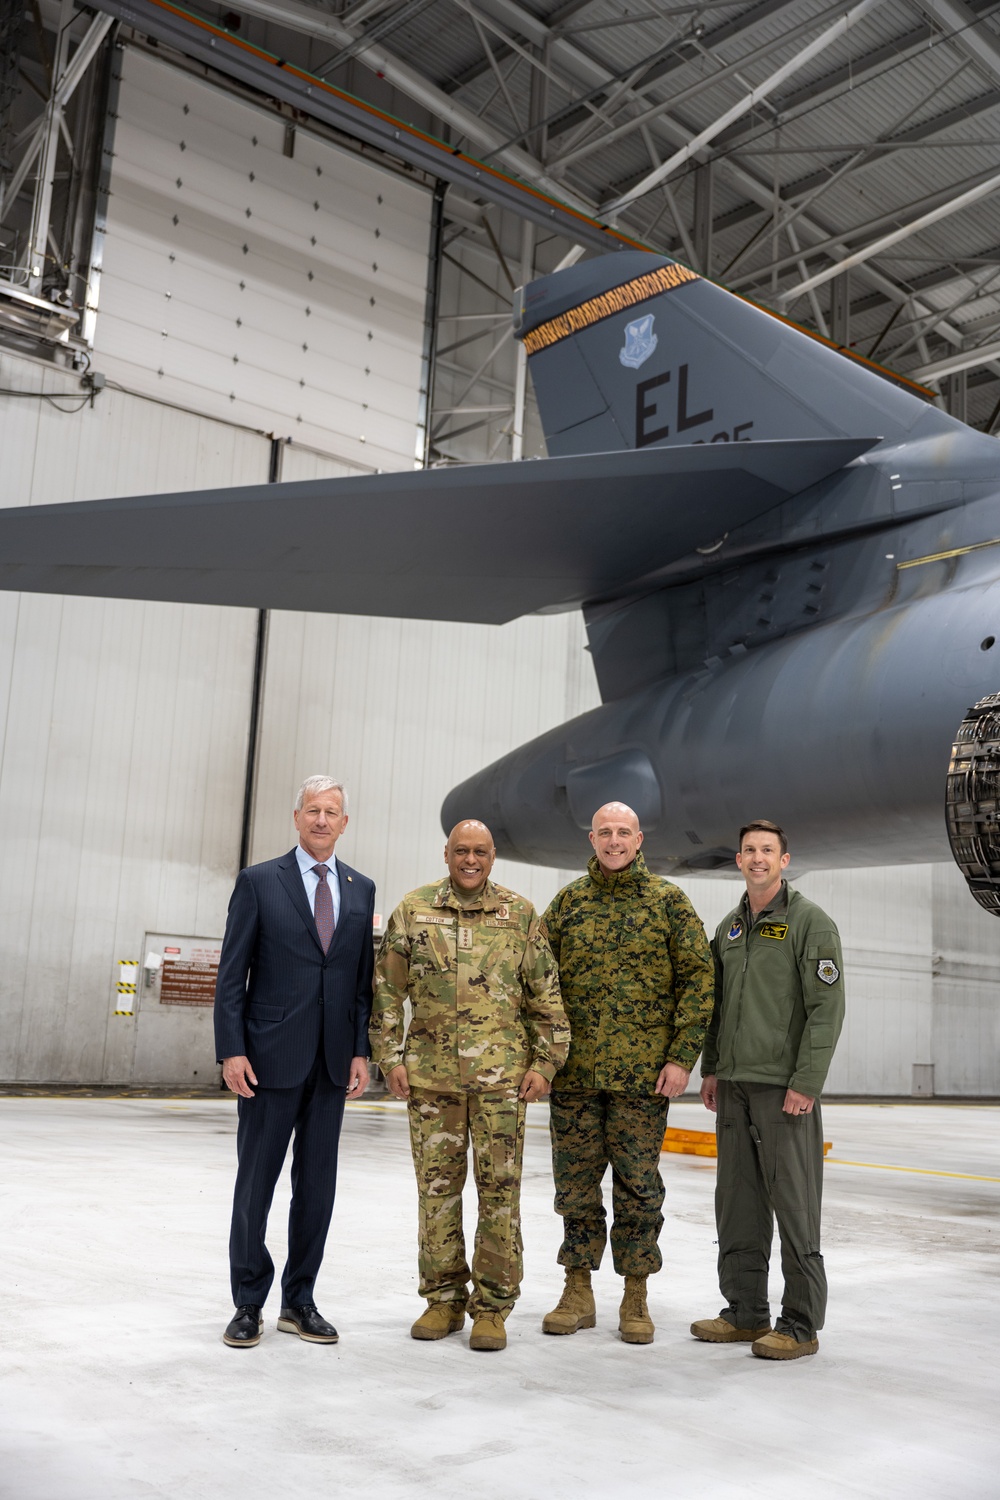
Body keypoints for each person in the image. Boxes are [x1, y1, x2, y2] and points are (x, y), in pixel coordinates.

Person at [370, 819, 569, 1353]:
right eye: (462, 850)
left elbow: (545, 997)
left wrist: (545, 1064)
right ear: (446, 853)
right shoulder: (414, 911)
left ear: (493, 855)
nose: (471, 860)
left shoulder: (520, 914)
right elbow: (386, 992)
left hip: (503, 1084)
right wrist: (390, 1057)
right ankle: (441, 1300)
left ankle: (492, 1308)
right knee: (437, 1193)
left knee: (499, 1195)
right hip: (431, 1081)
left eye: (480, 851)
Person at [540, 801, 714, 1344]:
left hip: (644, 1079)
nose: (614, 841)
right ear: (591, 839)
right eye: (605, 833)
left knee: (639, 1188)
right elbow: (538, 982)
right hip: (575, 1076)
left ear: (639, 840)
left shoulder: (668, 903)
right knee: (575, 1187)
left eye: (624, 833)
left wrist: (682, 1057)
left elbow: (698, 980)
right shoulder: (568, 903)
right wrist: (543, 1058)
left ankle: (635, 1293)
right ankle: (577, 1288)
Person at [214, 775, 375, 1349]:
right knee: (256, 1182)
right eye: (313, 810)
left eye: (332, 812)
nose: (322, 820)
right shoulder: (259, 882)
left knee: (318, 1187)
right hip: (267, 1060)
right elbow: (232, 975)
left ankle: (299, 1300)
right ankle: (248, 1301)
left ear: (345, 822)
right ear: (297, 816)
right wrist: (231, 1048)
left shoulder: (361, 889)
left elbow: (360, 984)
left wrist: (361, 1049)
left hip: (332, 1064)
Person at [692, 819, 845, 1361]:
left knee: (794, 1205)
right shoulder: (730, 927)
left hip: (783, 1091)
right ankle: (745, 1312)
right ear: (738, 860)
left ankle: (801, 1324)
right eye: (749, 850)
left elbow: (827, 1010)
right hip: (732, 1086)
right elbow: (715, 1006)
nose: (758, 858)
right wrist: (712, 1067)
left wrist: (807, 1082)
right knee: (737, 1202)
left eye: (768, 851)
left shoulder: (811, 923)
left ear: (784, 859)